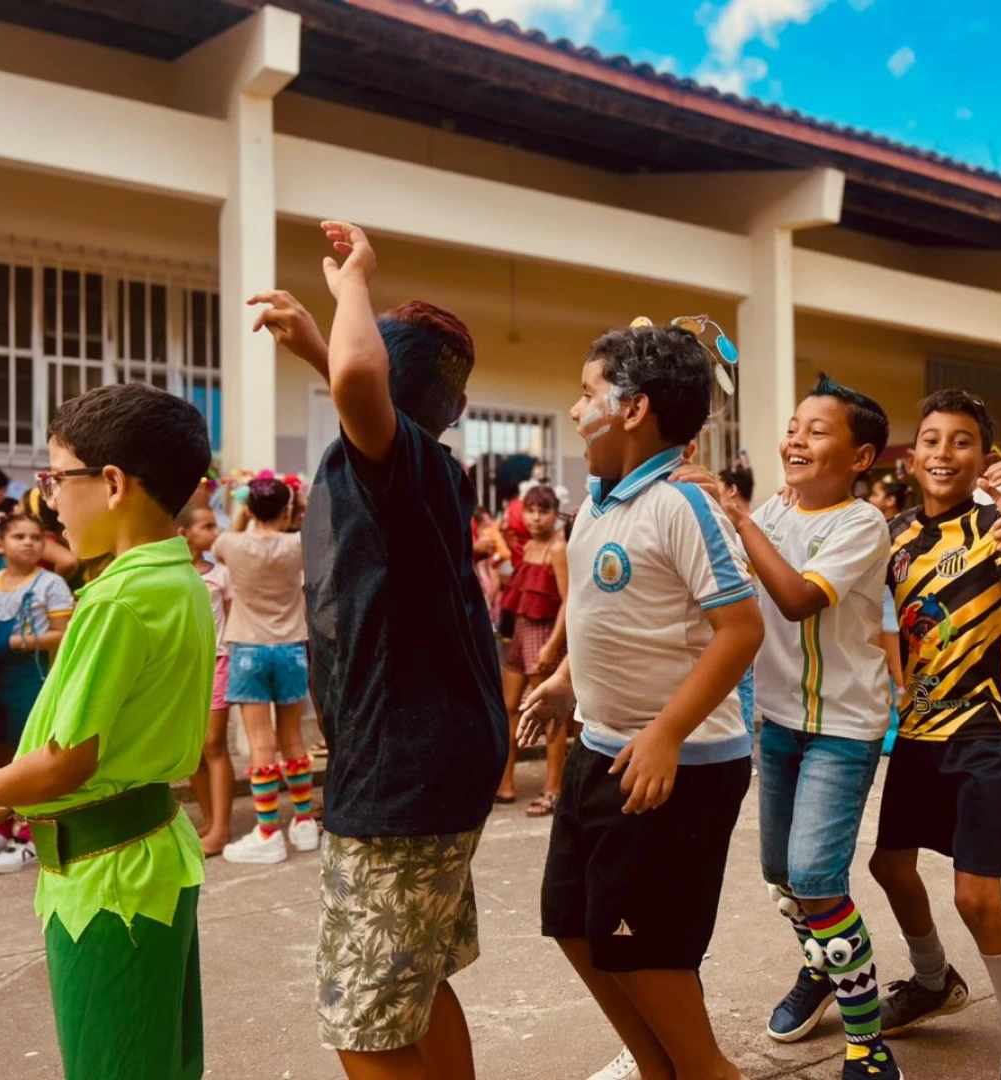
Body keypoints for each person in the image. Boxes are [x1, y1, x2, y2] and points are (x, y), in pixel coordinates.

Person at [251, 222, 508, 1079]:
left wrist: (352, 279)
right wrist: (321, 342)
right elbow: (362, 380)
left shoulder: (390, 462)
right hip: (429, 757)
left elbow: (362, 380)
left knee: (365, 1020)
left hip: (401, 770)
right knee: (419, 973)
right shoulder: (422, 465)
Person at [520, 317, 761, 1080]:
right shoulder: (593, 505)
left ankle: (701, 1069)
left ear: (634, 409)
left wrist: (664, 733)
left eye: (587, 392)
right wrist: (564, 681)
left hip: (678, 768)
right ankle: (660, 1070)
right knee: (576, 928)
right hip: (600, 747)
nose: (574, 407)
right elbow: (596, 609)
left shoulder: (680, 507)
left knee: (649, 957)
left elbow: (741, 630)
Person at [0, 382, 213, 1079]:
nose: (49, 500)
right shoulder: (177, 578)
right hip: (142, 858)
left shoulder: (119, 599)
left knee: (113, 1066)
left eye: (56, 478)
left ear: (111, 483)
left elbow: (62, 766)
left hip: (109, 880)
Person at [688, 374, 906, 1080]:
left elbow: (796, 600)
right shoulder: (777, 512)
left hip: (844, 726)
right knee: (781, 873)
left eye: (817, 431)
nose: (794, 439)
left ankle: (867, 1043)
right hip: (777, 720)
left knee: (816, 875)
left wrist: (742, 516)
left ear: (862, 457)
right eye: (793, 427)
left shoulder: (862, 523)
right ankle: (822, 963)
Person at [868, 390, 1001, 1079]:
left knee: (976, 897)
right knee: (889, 868)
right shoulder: (890, 535)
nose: (943, 453)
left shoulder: (997, 530)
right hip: (918, 729)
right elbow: (884, 624)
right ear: (911, 454)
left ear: (985, 457)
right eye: (930, 439)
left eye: (960, 441)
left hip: (985, 731)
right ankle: (933, 982)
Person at [214, 476, 314, 865]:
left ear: (249, 508)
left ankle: (268, 831)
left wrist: (244, 509)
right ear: (289, 510)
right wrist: (294, 504)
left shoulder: (232, 544)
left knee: (261, 743)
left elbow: (228, 537)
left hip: (247, 651)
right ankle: (304, 823)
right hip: (290, 650)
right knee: (292, 739)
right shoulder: (298, 545)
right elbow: (307, 526)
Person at [0, 511, 75, 874]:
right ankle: (1, 826)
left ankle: (30, 833)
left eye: (36, 537)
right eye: (19, 536)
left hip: (29, 678)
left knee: (27, 756)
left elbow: (62, 633)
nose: (29, 543)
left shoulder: (50, 584)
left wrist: (23, 641)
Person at [495, 483, 569, 814]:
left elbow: (569, 600)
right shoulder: (525, 547)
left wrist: (553, 644)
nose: (536, 517)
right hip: (520, 633)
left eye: (544, 510)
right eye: (531, 510)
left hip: (544, 632)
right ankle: (505, 783)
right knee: (509, 707)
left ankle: (553, 788)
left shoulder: (558, 547)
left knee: (549, 712)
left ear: (556, 514)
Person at [177, 504, 235, 857]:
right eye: (206, 525)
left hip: (217, 661)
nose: (214, 531)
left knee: (213, 744)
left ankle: (222, 829)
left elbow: (230, 617)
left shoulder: (222, 574)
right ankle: (211, 820)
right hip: (181, 668)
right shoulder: (173, 575)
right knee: (192, 750)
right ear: (183, 534)